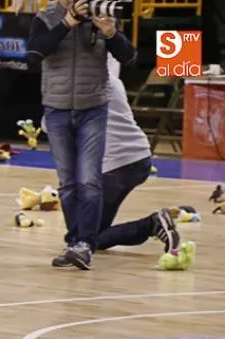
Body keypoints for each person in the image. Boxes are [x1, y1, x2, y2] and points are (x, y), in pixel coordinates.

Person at [27, 0, 135, 271]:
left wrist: (110, 33)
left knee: (89, 179)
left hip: (93, 108)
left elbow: (130, 57)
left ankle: (84, 245)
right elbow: (33, 55)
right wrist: (67, 22)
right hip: (57, 108)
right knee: (67, 184)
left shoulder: (102, 13)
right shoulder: (46, 16)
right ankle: (75, 242)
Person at [88, 57, 180, 256]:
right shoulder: (113, 81)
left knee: (85, 238)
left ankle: (152, 224)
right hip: (138, 155)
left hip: (118, 165)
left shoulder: (87, 85)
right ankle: (152, 224)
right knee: (91, 233)